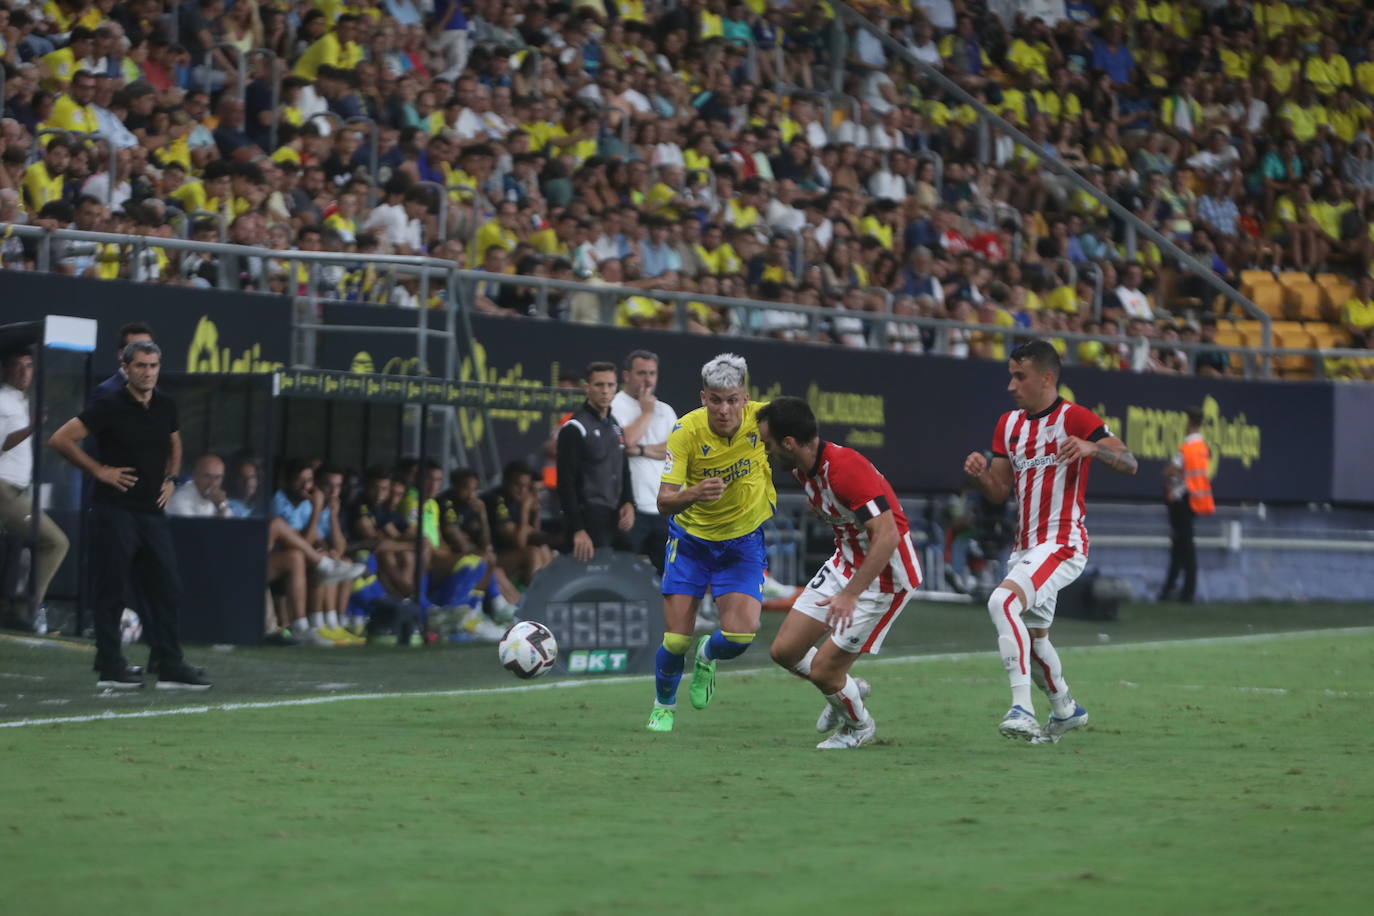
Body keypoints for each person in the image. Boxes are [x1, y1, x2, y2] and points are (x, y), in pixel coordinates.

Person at [961, 340, 1137, 743]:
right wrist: (981, 474)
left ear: (1046, 378)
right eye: (1010, 375)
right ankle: (1065, 709)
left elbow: (1129, 462)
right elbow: (999, 490)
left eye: (1019, 376)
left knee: (1001, 602)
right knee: (1035, 639)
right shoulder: (1008, 425)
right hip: (1025, 547)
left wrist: (1094, 447)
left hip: (1062, 543)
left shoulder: (1075, 418)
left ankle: (1021, 708)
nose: (1011, 385)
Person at [758, 397, 924, 750]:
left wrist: (850, 594)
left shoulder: (846, 468)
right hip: (846, 562)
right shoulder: (802, 467)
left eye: (768, 444)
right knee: (785, 651)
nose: (765, 451)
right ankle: (846, 689)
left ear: (789, 443)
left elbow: (888, 534)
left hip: (885, 577)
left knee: (822, 670)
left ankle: (858, 726)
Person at [47, 341, 210, 689]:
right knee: (112, 590)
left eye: (153, 365)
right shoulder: (108, 405)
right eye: (140, 366)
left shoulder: (165, 404)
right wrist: (99, 470)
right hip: (114, 510)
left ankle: (169, 664)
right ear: (126, 368)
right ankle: (110, 665)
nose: (148, 372)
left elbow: (175, 442)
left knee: (167, 588)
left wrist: (171, 477)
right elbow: (60, 439)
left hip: (152, 512)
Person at [646, 353, 775, 733]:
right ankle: (663, 706)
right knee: (674, 641)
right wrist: (695, 493)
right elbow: (663, 501)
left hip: (742, 543)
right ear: (703, 398)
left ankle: (708, 655)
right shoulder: (685, 431)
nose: (724, 409)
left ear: (745, 398)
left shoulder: (764, 419)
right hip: (691, 542)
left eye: (732, 399)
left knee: (739, 636)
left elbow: (803, 442)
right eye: (715, 400)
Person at [0, 347, 70, 632]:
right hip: (3, 490)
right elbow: (3, 443)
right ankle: (26, 611)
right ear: (5, 368)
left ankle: (17, 609)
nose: (24, 372)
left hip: (18, 490)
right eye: (18, 365)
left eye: (29, 366)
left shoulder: (19, 400)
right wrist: (31, 428)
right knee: (55, 542)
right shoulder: (3, 399)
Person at [556, 361, 635, 561]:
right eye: (599, 385)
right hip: (589, 517)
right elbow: (565, 484)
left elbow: (624, 468)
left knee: (626, 572)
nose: (605, 391)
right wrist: (578, 529)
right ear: (587, 388)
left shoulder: (615, 425)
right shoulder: (574, 428)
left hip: (615, 516)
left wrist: (628, 502)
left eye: (610, 385)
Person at [609, 349, 677, 574]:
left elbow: (674, 450)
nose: (648, 379)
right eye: (641, 373)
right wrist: (646, 413)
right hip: (631, 507)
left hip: (663, 506)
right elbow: (625, 441)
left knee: (670, 572)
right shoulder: (614, 405)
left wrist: (639, 450)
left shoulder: (666, 410)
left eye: (652, 373)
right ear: (626, 375)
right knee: (623, 572)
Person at [1160, 407, 1214, 603]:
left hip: (1181, 500)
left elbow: (1171, 471)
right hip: (1194, 500)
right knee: (1182, 545)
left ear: (1189, 423)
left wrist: (1168, 473)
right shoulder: (1203, 448)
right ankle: (1173, 588)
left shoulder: (1187, 448)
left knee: (1183, 546)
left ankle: (1185, 591)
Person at [166, 454, 233, 518]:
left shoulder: (219, 500)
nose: (212, 483)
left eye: (217, 477)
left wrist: (220, 507)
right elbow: (195, 528)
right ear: (195, 476)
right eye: (207, 476)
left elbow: (230, 527)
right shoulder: (179, 500)